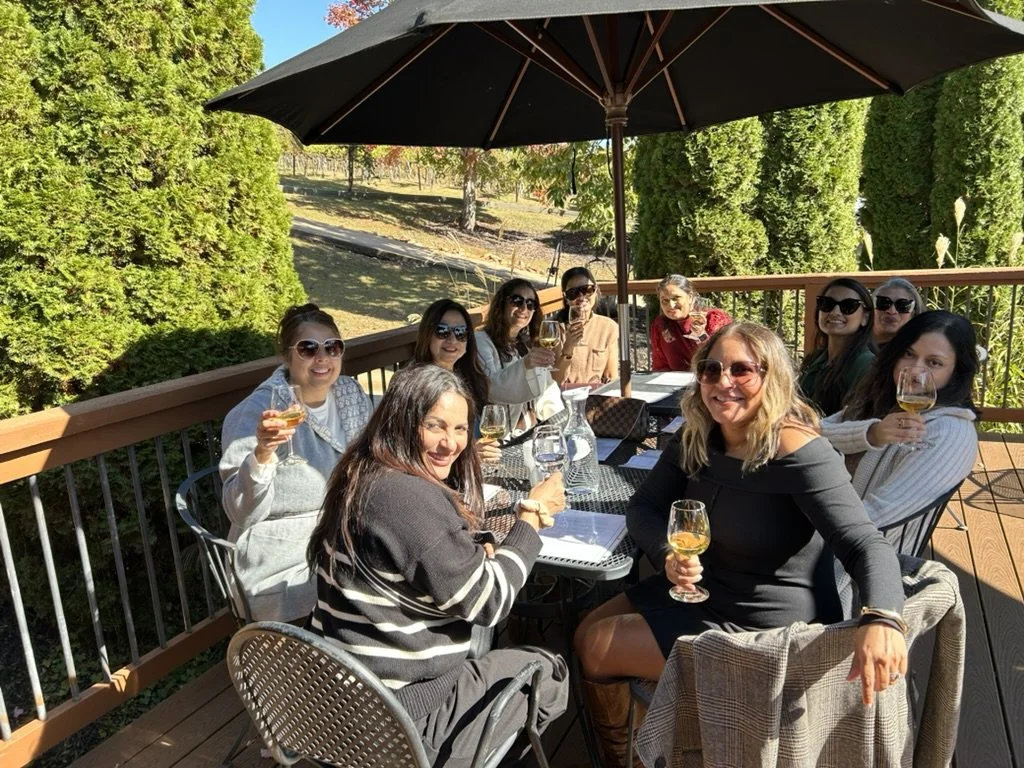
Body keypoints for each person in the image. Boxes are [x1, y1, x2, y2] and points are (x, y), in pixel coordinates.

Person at [574, 322, 907, 767]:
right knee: (583, 632)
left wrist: (883, 616)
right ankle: (657, 743)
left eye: (742, 370)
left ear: (771, 379)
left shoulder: (796, 450)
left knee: (598, 645)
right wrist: (667, 553)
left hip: (763, 621)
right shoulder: (698, 433)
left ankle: (637, 757)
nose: (723, 382)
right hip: (703, 588)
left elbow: (865, 542)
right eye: (711, 370)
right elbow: (644, 508)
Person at [307, 364, 569, 767]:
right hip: (400, 722)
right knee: (550, 673)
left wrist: (474, 546)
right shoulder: (406, 497)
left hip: (341, 708)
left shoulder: (362, 474)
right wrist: (530, 520)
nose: (451, 443)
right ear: (403, 422)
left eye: (461, 429)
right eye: (435, 426)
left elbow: (419, 561)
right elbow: (490, 603)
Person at [220, 303, 372, 622]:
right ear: (287, 356)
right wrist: (262, 452)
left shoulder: (349, 394)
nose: (322, 358)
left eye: (332, 347)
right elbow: (240, 511)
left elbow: (374, 461)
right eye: (308, 348)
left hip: (346, 539)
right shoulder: (260, 412)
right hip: (283, 555)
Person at [822, 310, 978, 529]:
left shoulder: (949, 432)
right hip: (823, 527)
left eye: (934, 363)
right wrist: (870, 434)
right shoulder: (882, 401)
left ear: (956, 372)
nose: (915, 371)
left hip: (856, 554)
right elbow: (811, 435)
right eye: (908, 354)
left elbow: (878, 514)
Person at [413, 298, 500, 466]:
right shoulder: (412, 385)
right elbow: (406, 448)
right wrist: (471, 455)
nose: (452, 340)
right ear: (427, 335)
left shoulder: (471, 377)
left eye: (461, 332)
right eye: (442, 331)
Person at [476, 278, 563, 435]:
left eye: (531, 304)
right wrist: (525, 365)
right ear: (501, 304)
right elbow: (491, 388)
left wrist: (559, 423)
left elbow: (546, 388)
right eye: (517, 301)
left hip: (532, 432)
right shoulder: (481, 341)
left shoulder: (526, 343)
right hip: (498, 436)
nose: (524, 308)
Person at [799, 277, 876, 416]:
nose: (835, 312)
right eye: (827, 304)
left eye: (848, 306)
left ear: (865, 317)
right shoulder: (814, 360)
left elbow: (854, 421)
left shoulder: (866, 365)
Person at [552, 266, 619, 386]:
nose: (581, 297)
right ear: (566, 298)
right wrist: (568, 348)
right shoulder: (555, 329)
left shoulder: (608, 327)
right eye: (573, 293)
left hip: (594, 398)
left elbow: (611, 376)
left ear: (596, 291)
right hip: (562, 397)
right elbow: (553, 381)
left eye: (587, 290)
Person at [650, 274, 732, 372]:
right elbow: (660, 365)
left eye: (676, 298)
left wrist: (701, 335)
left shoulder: (713, 319)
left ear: (690, 297)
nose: (671, 305)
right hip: (675, 383)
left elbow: (724, 358)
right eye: (665, 301)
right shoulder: (661, 325)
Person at [873, 277, 925, 350]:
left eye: (902, 306)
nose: (892, 311)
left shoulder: (919, 351)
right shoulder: (855, 343)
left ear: (913, 313)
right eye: (883, 303)